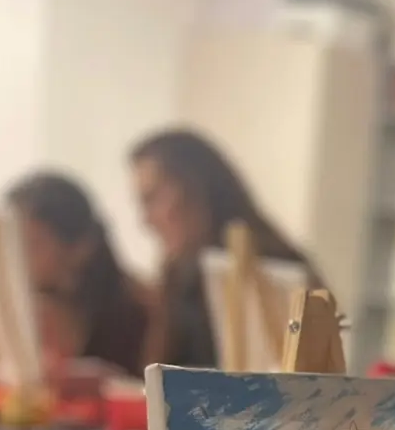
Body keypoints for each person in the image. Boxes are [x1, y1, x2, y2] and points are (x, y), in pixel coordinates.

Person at [129, 129, 319, 368]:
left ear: (196, 187)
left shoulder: (272, 272)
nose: (146, 220)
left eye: (152, 199)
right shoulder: (182, 279)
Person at [7, 173, 154, 378]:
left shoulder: (142, 308)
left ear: (81, 246)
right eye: (10, 244)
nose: (17, 259)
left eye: (33, 245)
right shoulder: (23, 309)